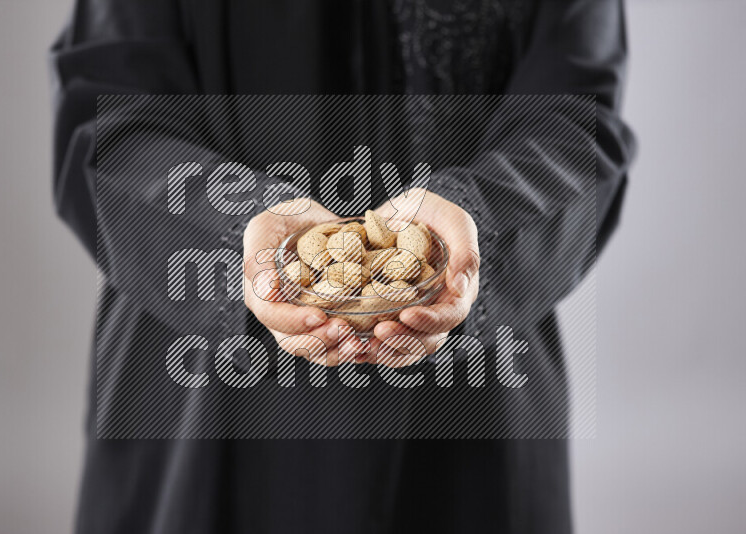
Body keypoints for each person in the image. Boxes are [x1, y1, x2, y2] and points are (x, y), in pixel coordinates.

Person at [51, 1, 635, 532]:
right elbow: (110, 121)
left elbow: (576, 114)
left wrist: (479, 216)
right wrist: (238, 235)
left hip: (473, 405)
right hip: (201, 413)